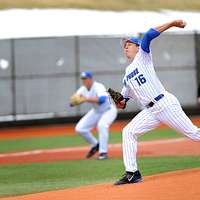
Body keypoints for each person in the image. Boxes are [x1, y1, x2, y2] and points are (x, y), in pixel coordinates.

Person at [114, 19, 200, 185]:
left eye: (129, 44)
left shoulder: (143, 57)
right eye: (124, 46)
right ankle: (132, 173)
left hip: (164, 103)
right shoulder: (127, 74)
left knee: (194, 134)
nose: (125, 47)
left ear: (138, 47)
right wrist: (113, 96)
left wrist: (173, 23)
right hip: (151, 111)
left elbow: (148, 35)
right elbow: (122, 103)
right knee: (128, 132)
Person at [73, 71, 117, 160]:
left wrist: (85, 99)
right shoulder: (82, 89)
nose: (84, 81)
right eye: (83, 79)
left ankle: (103, 152)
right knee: (79, 128)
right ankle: (96, 144)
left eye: (86, 79)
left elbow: (102, 100)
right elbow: (72, 102)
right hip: (96, 111)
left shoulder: (98, 86)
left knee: (102, 125)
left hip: (108, 110)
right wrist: (74, 101)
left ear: (90, 79)